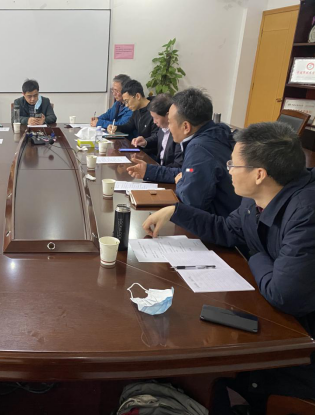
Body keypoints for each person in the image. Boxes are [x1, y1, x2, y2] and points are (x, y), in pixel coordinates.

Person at [142, 122, 315, 411]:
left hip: (301, 346)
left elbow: (285, 295)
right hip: (278, 318)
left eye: (233, 165)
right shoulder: (258, 198)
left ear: (259, 174)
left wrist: (255, 254)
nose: (229, 170)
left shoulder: (306, 212)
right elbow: (229, 230)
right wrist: (175, 211)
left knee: (201, 362)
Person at [127, 88, 242, 217]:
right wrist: (149, 171)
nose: (168, 128)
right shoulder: (215, 133)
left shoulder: (199, 149)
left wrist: (181, 182)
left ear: (186, 127)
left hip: (218, 221)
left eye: (170, 122)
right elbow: (187, 173)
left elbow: (191, 200)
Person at [108, 80, 158, 155]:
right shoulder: (137, 110)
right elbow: (129, 126)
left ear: (137, 96)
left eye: (127, 101)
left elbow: (157, 136)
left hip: (151, 154)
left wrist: (145, 141)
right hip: (140, 151)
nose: (126, 105)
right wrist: (116, 127)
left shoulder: (154, 111)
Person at [148, 93, 183, 167]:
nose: (154, 121)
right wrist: (145, 142)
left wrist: (156, 170)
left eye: (156, 118)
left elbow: (178, 165)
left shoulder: (178, 133)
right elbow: (158, 138)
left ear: (168, 115)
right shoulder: (162, 127)